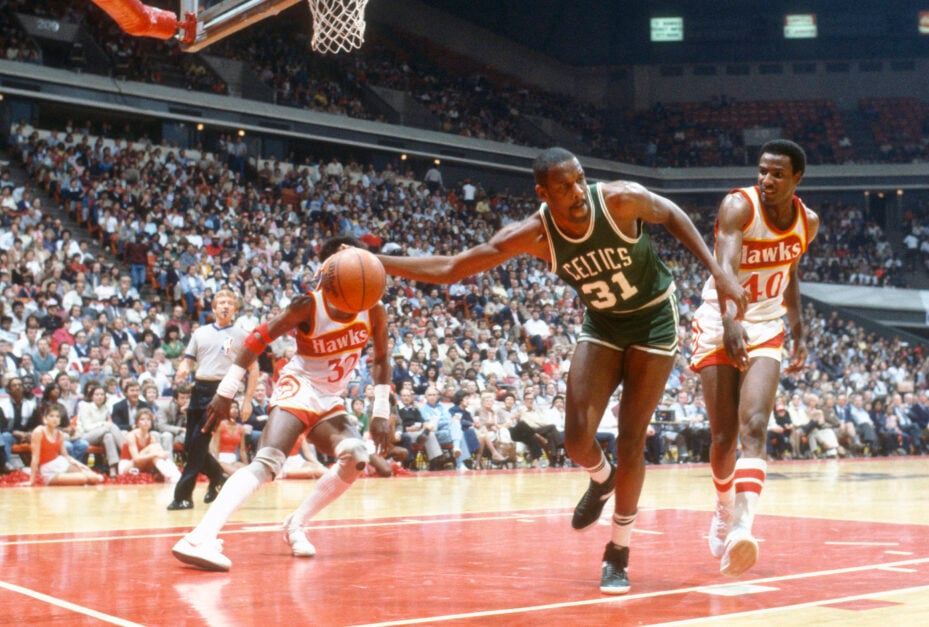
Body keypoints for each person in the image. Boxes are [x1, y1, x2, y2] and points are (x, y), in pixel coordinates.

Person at [377, 147, 746, 593]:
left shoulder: (619, 199)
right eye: (564, 187)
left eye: (579, 180)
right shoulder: (534, 234)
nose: (577, 192)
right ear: (543, 193)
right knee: (575, 439)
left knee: (631, 439)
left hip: (653, 319)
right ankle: (602, 477)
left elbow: (670, 213)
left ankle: (618, 551)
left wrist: (717, 271)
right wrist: (378, 263)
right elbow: (452, 268)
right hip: (604, 322)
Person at [171, 238, 392, 572]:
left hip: (331, 398)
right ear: (329, 271)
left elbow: (382, 357)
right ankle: (200, 537)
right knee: (268, 462)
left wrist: (381, 410)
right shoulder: (308, 305)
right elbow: (257, 338)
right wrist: (227, 390)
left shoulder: (373, 308)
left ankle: (296, 524)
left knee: (357, 455)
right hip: (299, 387)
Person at [690, 139, 819, 578]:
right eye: (762, 171)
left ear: (797, 178)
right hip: (719, 319)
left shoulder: (808, 222)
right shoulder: (738, 206)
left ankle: (742, 530)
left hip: (765, 325)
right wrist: (731, 320)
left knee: (755, 425)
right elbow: (725, 268)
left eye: (777, 174)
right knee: (723, 437)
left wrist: (799, 332)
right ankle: (723, 507)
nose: (766, 179)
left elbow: (791, 275)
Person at [167, 288, 259, 511]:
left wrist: (247, 400)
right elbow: (189, 360)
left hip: (221, 392)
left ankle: (183, 496)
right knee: (189, 445)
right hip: (199, 388)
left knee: (198, 443)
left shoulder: (241, 335)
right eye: (222, 302)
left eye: (230, 303)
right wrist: (183, 368)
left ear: (235, 309)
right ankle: (218, 477)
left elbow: (253, 369)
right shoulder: (200, 333)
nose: (225, 305)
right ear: (214, 308)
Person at [29, 404, 103, 486]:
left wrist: (80, 464)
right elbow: (35, 457)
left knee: (94, 478)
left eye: (57, 416)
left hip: (60, 462)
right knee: (82, 478)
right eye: (51, 416)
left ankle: (73, 478)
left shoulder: (60, 434)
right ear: (45, 419)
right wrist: (31, 480)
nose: (55, 419)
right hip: (48, 469)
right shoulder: (38, 431)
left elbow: (66, 455)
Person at [118, 407, 180, 482]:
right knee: (153, 449)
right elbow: (136, 459)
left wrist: (161, 455)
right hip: (127, 465)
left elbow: (156, 455)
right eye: (142, 419)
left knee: (156, 450)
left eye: (148, 419)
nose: (146, 422)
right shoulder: (131, 436)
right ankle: (171, 475)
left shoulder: (152, 437)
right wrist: (155, 454)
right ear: (137, 423)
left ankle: (171, 474)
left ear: (151, 423)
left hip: (141, 465)